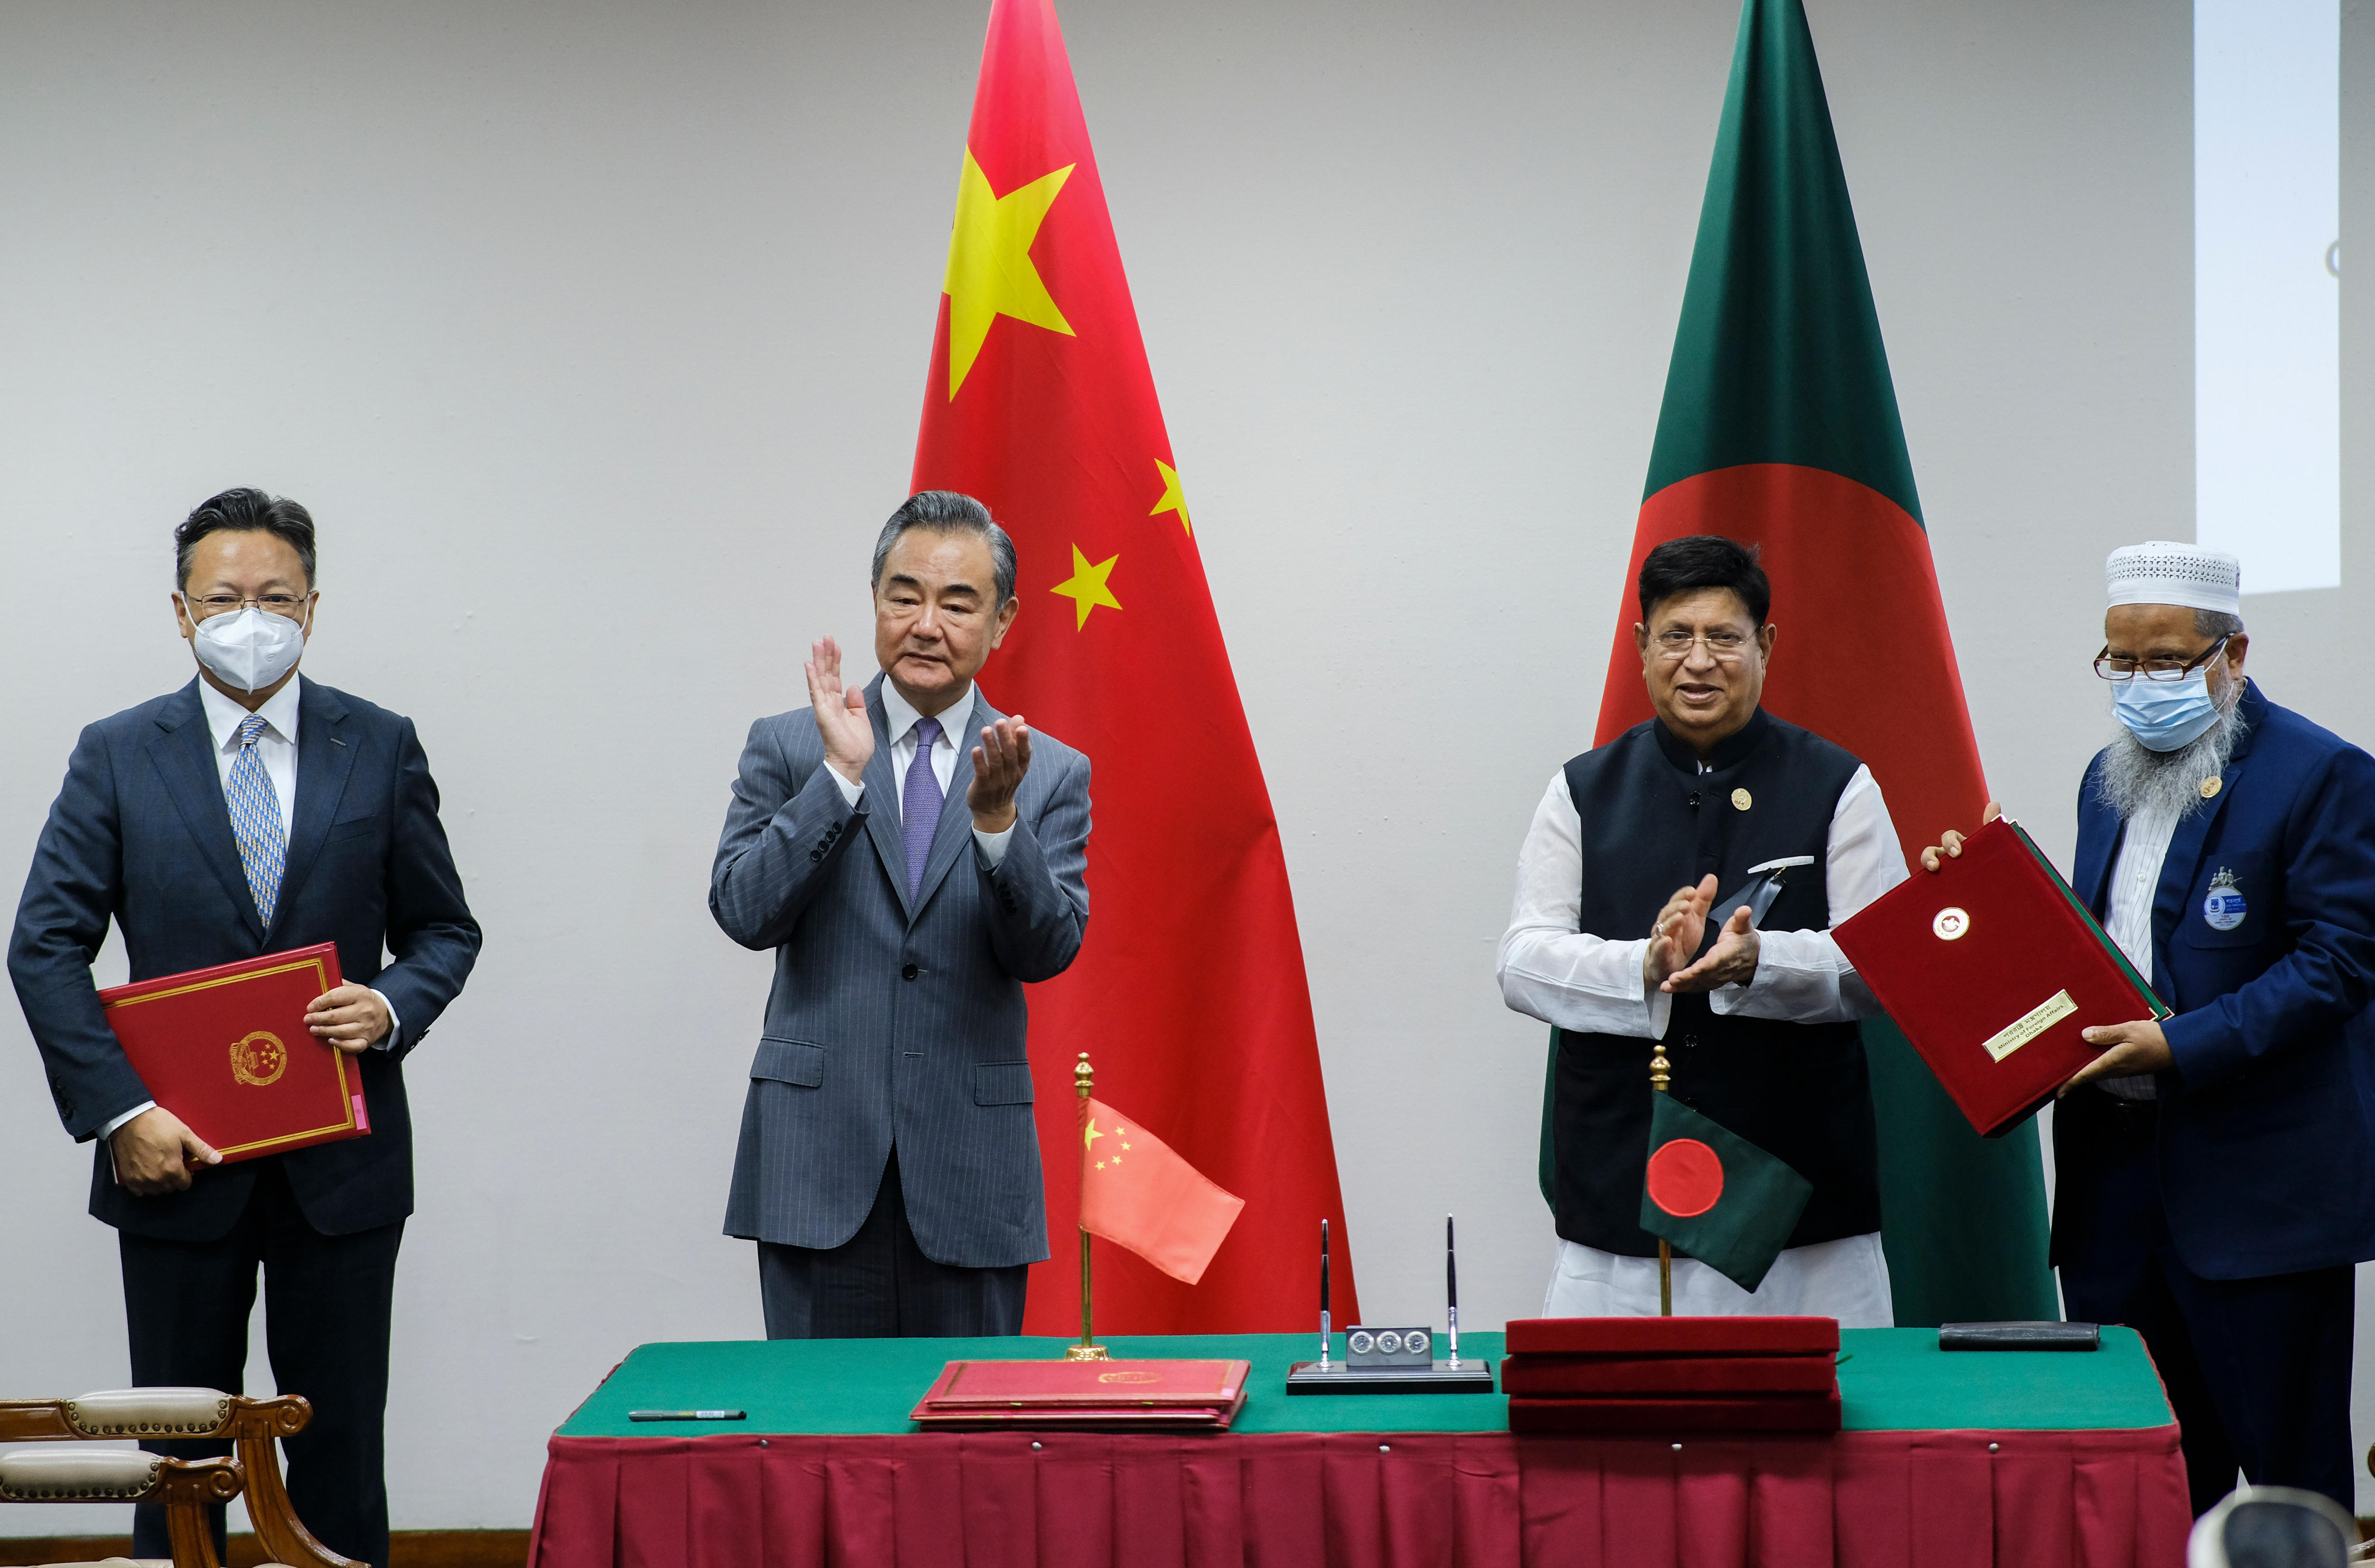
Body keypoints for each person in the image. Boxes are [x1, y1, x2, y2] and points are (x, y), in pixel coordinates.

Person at [9, 488, 481, 1566]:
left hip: (343, 1170)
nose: (249, 617)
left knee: (342, 1449)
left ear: (312, 607)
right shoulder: (118, 753)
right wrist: (121, 1111)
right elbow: (43, 945)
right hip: (176, 1161)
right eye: (223, 598)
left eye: (274, 596)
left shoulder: (382, 743)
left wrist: (395, 1002)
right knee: (174, 1456)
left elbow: (447, 929)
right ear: (180, 612)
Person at [1921, 542, 2375, 1513]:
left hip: (2254, 1198)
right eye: (2118, 661)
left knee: (2289, 1489)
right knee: (2142, 1481)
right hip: (2113, 1191)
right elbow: (2102, 956)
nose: (2139, 683)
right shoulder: (2104, 779)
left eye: (2166, 659)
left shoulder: (2321, 773)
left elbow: (2340, 961)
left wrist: (2182, 1043)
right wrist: (1988, 895)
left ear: (2232, 652)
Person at [1497, 534, 1906, 1323]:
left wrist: (1758, 962)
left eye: (1724, 637)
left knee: (1818, 1433)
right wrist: (1642, 967)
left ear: (1766, 645)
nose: (1698, 660)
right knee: (1618, 1439)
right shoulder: (1582, 789)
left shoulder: (1839, 784)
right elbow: (1521, 960)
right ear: (1643, 646)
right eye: (1677, 636)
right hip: (1624, 1184)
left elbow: (1878, 967)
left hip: (1798, 1200)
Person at [711, 490, 1091, 1338]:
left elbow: (1049, 949)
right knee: (819, 1452)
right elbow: (742, 909)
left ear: (1003, 621)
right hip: (815, 1162)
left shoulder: (1049, 771)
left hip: (971, 1172)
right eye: (904, 594)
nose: (926, 623)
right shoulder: (791, 743)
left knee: (966, 1455)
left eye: (958, 603)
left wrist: (998, 827)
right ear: (876, 598)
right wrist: (840, 783)